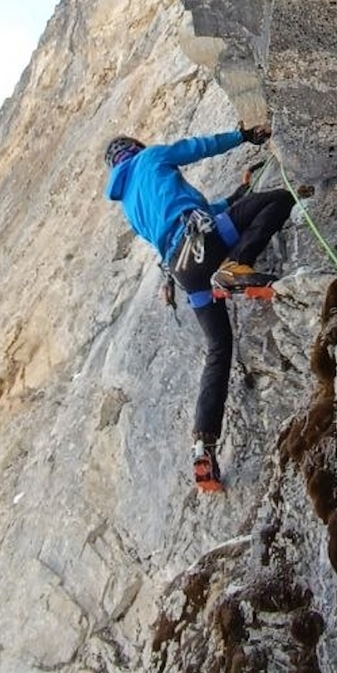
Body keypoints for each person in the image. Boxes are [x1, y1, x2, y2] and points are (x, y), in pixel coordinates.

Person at [103, 125, 296, 493]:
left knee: (218, 350)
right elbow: (198, 146)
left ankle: (203, 445)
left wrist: (236, 199)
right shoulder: (151, 156)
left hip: (184, 271)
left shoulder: (129, 205)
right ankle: (236, 266)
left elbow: (199, 213)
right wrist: (243, 136)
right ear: (135, 148)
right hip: (206, 243)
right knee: (279, 200)